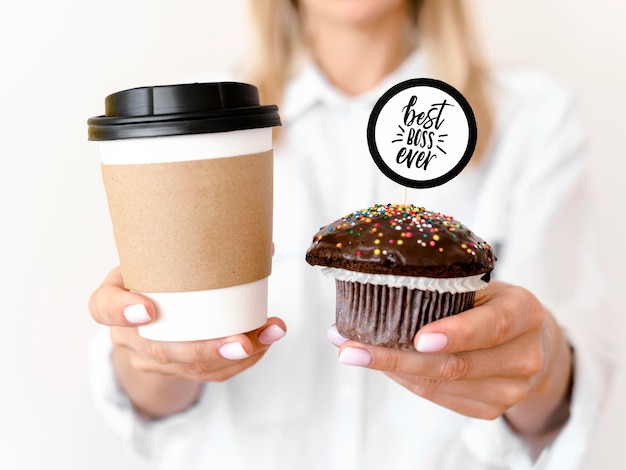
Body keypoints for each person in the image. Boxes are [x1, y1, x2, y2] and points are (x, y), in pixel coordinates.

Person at [88, 1, 615, 468]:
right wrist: (154, 353)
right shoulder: (206, 123)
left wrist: (539, 364)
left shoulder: (532, 116)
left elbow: (561, 398)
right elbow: (152, 411)